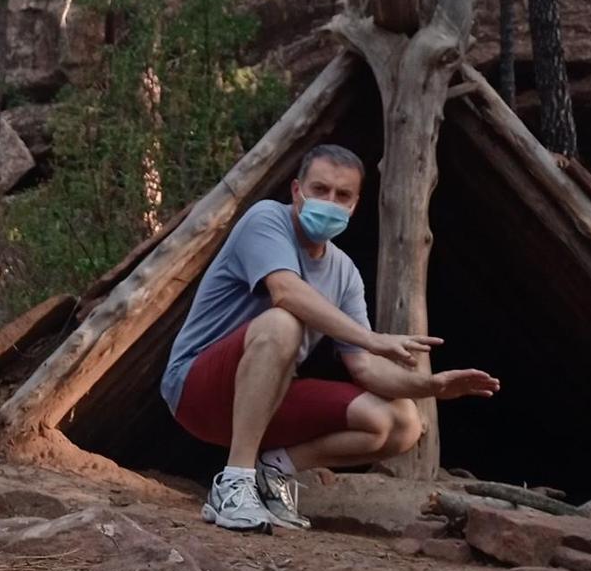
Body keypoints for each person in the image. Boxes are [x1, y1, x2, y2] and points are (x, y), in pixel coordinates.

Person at [160, 143, 501, 532]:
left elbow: (365, 368)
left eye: (342, 195)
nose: (330, 202)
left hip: (266, 399)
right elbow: (285, 292)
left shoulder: (345, 273)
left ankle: (272, 473)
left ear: (354, 206)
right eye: (320, 189)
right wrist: (372, 338)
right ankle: (234, 484)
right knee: (283, 322)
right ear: (296, 191)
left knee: (402, 420)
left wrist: (432, 386)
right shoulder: (266, 219)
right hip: (197, 390)